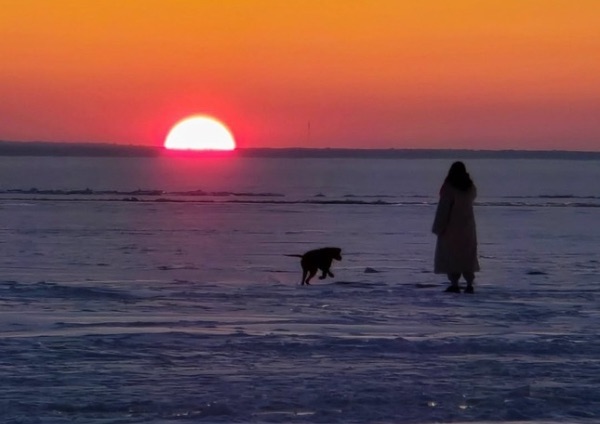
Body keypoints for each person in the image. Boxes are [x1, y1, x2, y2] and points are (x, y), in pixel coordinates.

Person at [432, 161, 480, 293]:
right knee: (467, 256)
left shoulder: (448, 187)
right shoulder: (470, 187)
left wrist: (438, 227)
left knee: (452, 255)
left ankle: (454, 283)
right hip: (468, 227)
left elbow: (443, 209)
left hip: (451, 228)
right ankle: (469, 283)